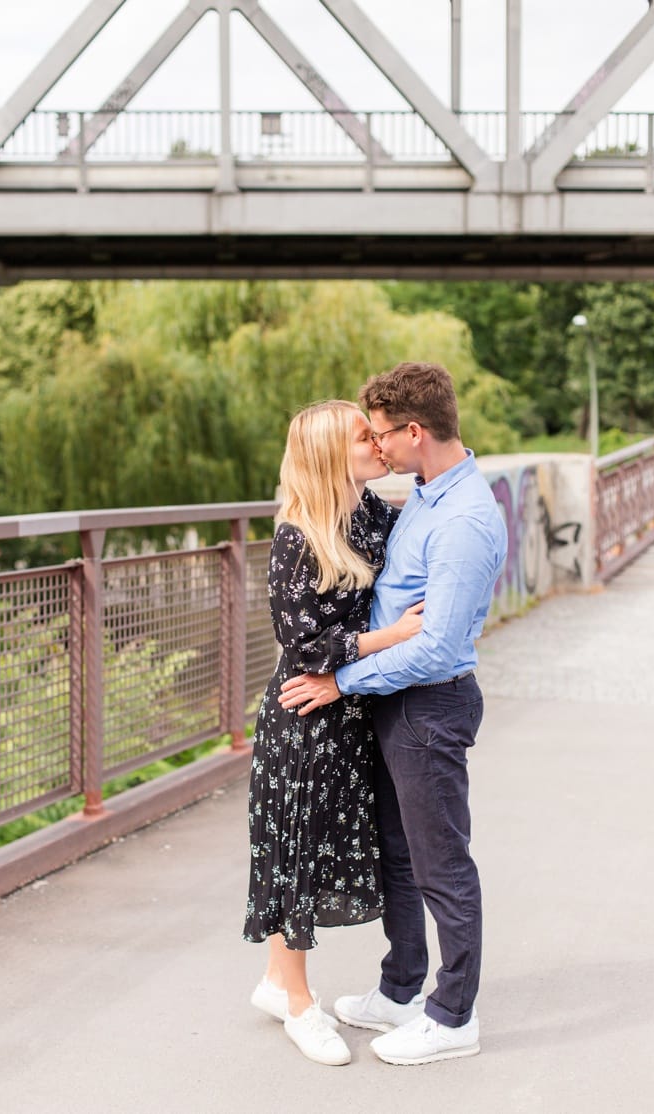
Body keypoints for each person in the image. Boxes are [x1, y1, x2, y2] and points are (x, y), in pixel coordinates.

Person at [279, 361, 508, 1068]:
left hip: (427, 704)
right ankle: (401, 990)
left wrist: (342, 679)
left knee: (443, 866)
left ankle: (452, 1016)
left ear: (414, 432)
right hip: (393, 702)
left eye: (380, 435)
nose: (376, 448)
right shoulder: (423, 494)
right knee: (402, 860)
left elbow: (437, 645)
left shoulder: (465, 516)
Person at [244, 399, 428, 1067]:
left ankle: (275, 982)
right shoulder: (297, 535)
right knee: (295, 852)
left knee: (319, 848)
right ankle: (294, 999)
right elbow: (303, 642)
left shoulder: (373, 512)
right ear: (329, 454)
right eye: (363, 436)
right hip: (304, 718)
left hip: (349, 712)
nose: (378, 443)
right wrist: (394, 635)